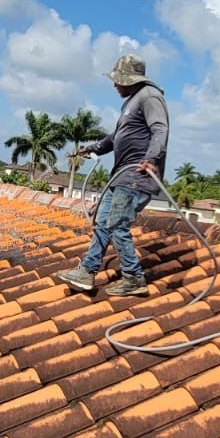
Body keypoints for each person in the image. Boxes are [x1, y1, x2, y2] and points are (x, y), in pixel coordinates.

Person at [56, 54, 169, 296]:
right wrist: (93, 148)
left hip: (136, 176)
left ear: (129, 79)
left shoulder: (150, 97)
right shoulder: (131, 102)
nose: (114, 84)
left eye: (117, 80)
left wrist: (150, 158)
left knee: (117, 224)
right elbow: (115, 138)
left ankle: (134, 278)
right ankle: (87, 271)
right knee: (102, 223)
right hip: (120, 178)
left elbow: (160, 129)